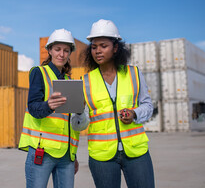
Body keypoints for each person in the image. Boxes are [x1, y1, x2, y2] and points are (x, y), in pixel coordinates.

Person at [79, 19, 155, 188]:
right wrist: (76, 114)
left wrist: (134, 114)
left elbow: (148, 106)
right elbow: (82, 122)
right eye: (94, 46)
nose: (97, 51)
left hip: (136, 151)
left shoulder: (133, 73)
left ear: (115, 48)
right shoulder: (85, 82)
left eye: (103, 46)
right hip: (102, 157)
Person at [18, 28, 87, 188]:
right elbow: (34, 108)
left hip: (66, 156)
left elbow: (70, 124)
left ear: (70, 53)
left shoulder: (71, 82)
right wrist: (48, 105)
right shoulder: (39, 73)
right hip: (43, 152)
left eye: (66, 50)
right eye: (57, 49)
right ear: (49, 50)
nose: (61, 54)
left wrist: (79, 112)